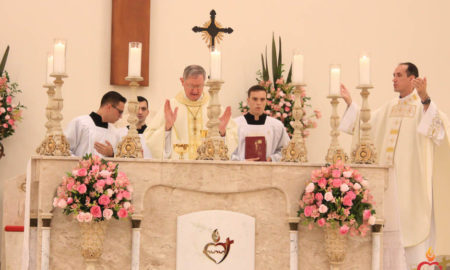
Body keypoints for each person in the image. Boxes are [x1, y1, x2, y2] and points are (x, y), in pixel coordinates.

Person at [339, 62, 450, 269]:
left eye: (399, 75)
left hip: (411, 187)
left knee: (414, 235)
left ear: (412, 79)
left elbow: (439, 130)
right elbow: (365, 125)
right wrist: (350, 104)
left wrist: (425, 97)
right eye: (393, 75)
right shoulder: (389, 107)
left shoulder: (422, 107)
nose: (394, 79)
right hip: (389, 187)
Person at [144, 65, 237, 159]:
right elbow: (151, 138)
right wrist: (167, 128)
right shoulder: (171, 107)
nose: (195, 91)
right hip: (180, 169)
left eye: (199, 86)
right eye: (191, 86)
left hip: (208, 168)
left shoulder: (214, 107)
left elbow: (233, 141)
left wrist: (222, 132)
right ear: (182, 81)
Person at [231, 85, 290, 162]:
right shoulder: (235, 124)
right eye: (255, 99)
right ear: (248, 101)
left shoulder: (276, 126)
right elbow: (227, 152)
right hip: (241, 171)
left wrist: (272, 159)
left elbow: (287, 150)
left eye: (262, 99)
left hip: (268, 171)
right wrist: (243, 161)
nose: (258, 103)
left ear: (266, 101)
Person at [65, 90, 126, 157]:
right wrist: (83, 164)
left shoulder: (114, 132)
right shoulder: (80, 123)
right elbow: (65, 150)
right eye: (120, 112)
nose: (121, 117)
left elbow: (120, 159)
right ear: (109, 107)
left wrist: (111, 154)